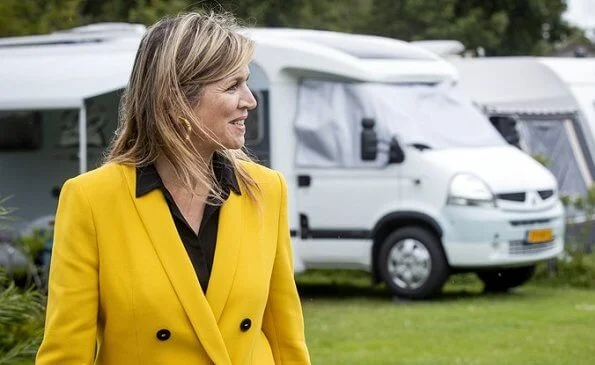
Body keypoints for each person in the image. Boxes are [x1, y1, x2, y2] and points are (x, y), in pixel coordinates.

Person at [36, 11, 311, 365]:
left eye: (247, 82)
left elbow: (286, 340)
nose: (250, 100)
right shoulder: (91, 199)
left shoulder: (267, 189)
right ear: (175, 98)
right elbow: (66, 355)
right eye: (232, 86)